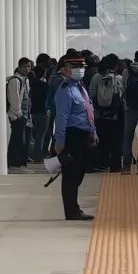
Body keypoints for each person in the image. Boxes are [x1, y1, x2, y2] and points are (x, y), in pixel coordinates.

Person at [52, 54, 98, 220]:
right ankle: (71, 211)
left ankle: (74, 207)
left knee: (80, 171)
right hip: (72, 135)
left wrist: (93, 131)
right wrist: (60, 142)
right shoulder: (65, 91)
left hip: (84, 134)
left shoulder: (80, 88)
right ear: (65, 70)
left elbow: (88, 110)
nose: (80, 70)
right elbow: (61, 118)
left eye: (81, 67)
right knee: (71, 174)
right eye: (76, 67)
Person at [90, 54, 124, 173]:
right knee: (116, 141)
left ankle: (102, 164)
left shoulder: (96, 78)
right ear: (115, 66)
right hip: (115, 116)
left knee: (102, 140)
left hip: (99, 115)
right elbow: (123, 98)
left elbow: (91, 96)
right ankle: (115, 166)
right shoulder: (119, 78)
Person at [6, 58, 32, 169]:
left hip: (25, 114)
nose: (27, 69)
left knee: (22, 139)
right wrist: (18, 114)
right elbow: (14, 98)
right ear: (19, 67)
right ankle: (14, 162)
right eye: (25, 66)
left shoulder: (26, 80)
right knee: (16, 139)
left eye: (29, 66)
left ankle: (19, 161)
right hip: (17, 115)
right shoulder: (15, 80)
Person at [28, 65, 49, 163]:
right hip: (42, 111)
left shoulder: (31, 85)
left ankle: (32, 154)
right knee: (40, 135)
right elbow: (47, 99)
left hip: (33, 111)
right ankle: (38, 156)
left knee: (34, 135)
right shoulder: (45, 85)